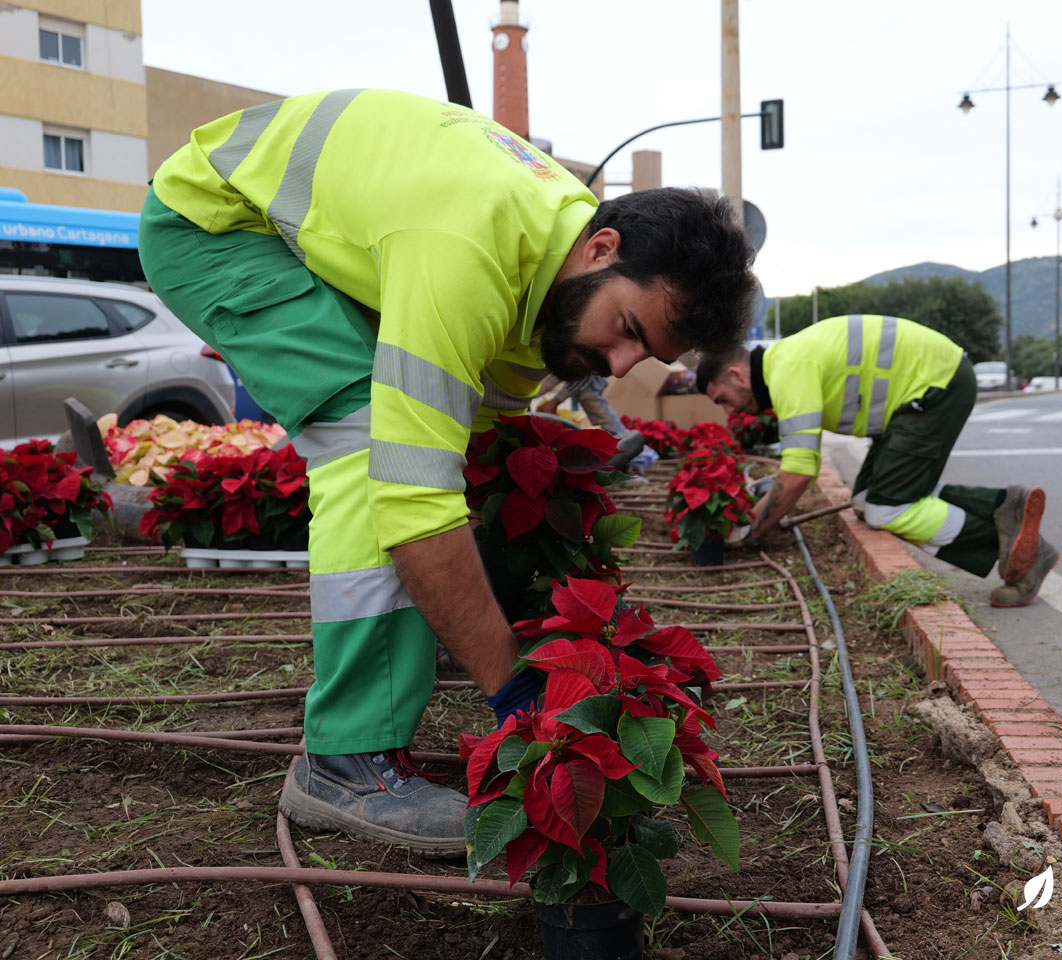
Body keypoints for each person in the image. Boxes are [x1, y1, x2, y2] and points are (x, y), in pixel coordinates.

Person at [139, 89, 756, 856]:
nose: (620, 365)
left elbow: (477, 431)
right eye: (627, 329)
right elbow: (412, 498)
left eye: (647, 356)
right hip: (216, 225)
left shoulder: (548, 262)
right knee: (370, 442)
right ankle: (344, 762)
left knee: (436, 447)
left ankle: (413, 639)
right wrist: (514, 687)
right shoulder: (468, 252)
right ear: (601, 249)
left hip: (310, 239)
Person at [697, 314, 1058, 606]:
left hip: (936, 385)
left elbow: (798, 472)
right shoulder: (786, 363)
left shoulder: (788, 371)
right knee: (866, 499)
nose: (729, 411)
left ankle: (1017, 551)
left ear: (736, 374)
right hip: (923, 389)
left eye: (723, 399)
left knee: (887, 508)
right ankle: (1002, 506)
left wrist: (750, 533)